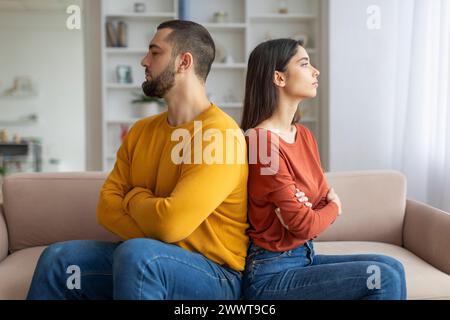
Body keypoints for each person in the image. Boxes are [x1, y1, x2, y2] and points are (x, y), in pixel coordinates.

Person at [27, 20, 249, 300]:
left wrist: (133, 199)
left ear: (184, 62)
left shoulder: (220, 135)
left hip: (214, 274)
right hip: (144, 260)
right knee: (58, 258)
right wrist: (157, 222)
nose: (144, 61)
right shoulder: (141, 131)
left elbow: (171, 224)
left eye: (155, 53)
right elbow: (106, 208)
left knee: (138, 255)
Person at [240, 38, 407, 300]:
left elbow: (315, 201)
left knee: (392, 267)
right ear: (279, 78)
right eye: (304, 64)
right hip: (272, 274)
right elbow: (304, 223)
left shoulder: (304, 135)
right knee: (381, 278)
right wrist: (334, 207)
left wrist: (310, 208)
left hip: (304, 257)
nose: (315, 71)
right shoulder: (261, 144)